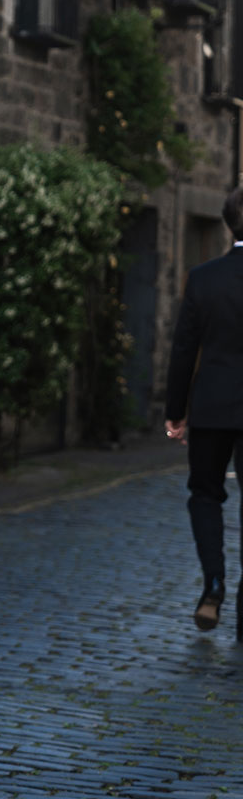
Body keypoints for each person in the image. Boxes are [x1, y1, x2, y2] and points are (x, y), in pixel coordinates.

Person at [164, 184, 243, 641]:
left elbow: (182, 351)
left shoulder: (204, 277)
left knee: (205, 495)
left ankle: (213, 584)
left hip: (212, 405)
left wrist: (176, 411)